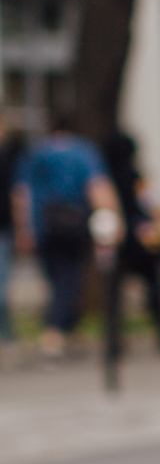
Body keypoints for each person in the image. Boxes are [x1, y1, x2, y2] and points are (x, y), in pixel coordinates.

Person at [14, 98, 119, 358]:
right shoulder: (83, 152)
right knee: (69, 278)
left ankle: (68, 329)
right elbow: (98, 188)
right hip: (74, 224)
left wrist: (23, 229)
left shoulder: (37, 152)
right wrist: (110, 220)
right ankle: (55, 332)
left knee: (55, 278)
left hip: (43, 226)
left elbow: (21, 194)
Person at [102, 129, 160, 351]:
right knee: (155, 287)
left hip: (115, 240)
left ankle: (114, 339)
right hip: (142, 240)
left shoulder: (104, 178)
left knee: (114, 293)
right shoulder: (136, 176)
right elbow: (154, 203)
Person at [0, 109, 27, 357]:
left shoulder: (10, 154)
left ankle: (7, 338)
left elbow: (18, 194)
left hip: (4, 229)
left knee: (1, 288)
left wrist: (22, 229)